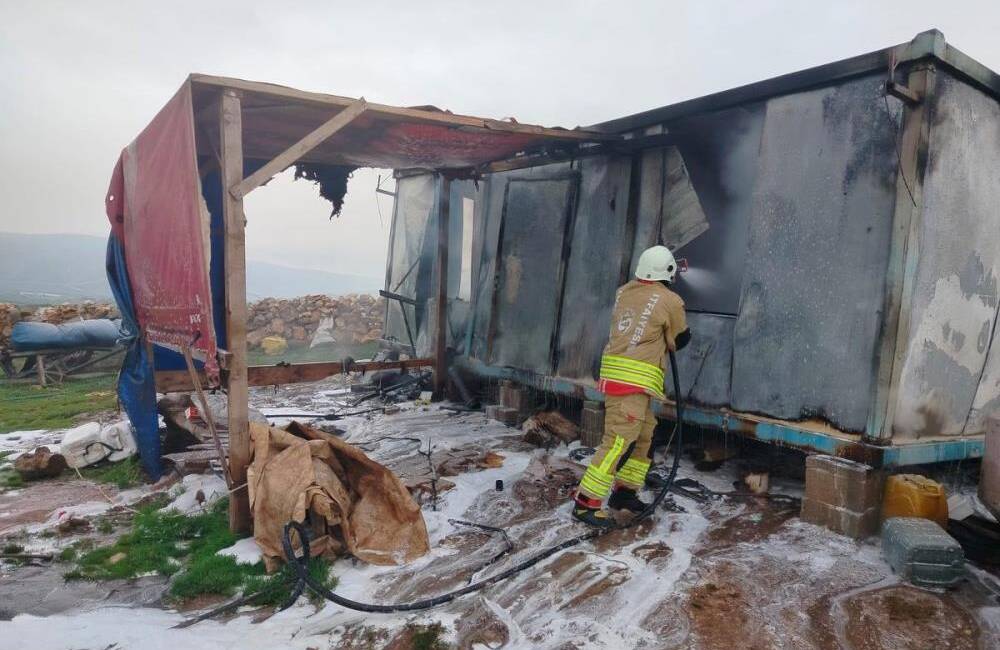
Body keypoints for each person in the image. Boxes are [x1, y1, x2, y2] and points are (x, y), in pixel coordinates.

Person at [572, 245, 691, 527]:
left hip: (622, 382)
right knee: (617, 443)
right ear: (668, 272)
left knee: (644, 435)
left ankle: (625, 493)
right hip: (631, 386)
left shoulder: (624, 291)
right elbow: (678, 340)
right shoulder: (670, 301)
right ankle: (585, 503)